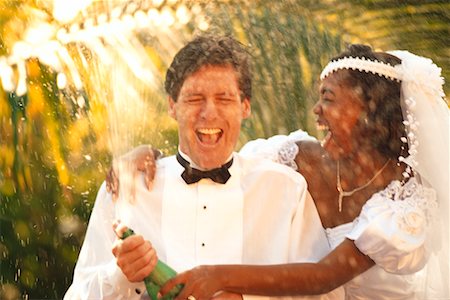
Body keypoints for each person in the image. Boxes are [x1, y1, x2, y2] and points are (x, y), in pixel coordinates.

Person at [119, 44, 449, 299]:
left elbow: (324, 276)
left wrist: (216, 275)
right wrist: (150, 155)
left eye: (329, 99)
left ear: (369, 112)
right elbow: (219, 161)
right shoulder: (295, 159)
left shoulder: (405, 201)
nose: (316, 111)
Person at [64, 34, 343, 300]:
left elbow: (328, 294)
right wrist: (120, 276)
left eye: (224, 99)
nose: (209, 112)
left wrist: (246, 296)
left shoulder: (285, 190)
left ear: (245, 107)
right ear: (172, 106)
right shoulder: (126, 187)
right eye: (195, 99)